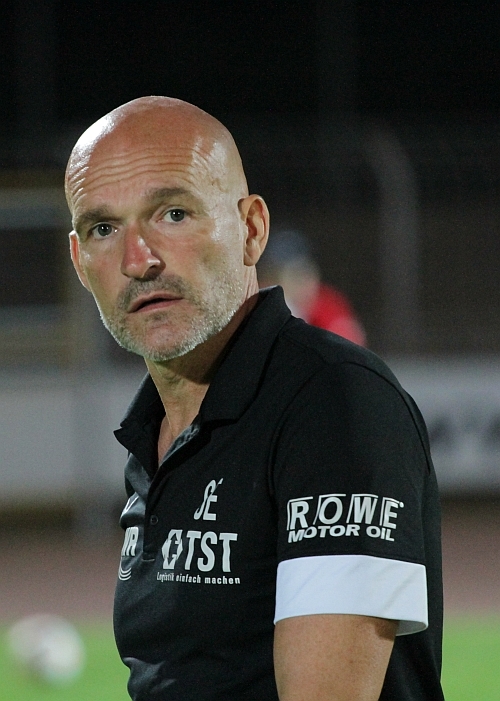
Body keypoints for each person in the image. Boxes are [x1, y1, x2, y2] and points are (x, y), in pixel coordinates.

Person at [65, 96, 444, 701]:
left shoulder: (332, 403)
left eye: (173, 214)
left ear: (251, 230)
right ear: (81, 263)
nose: (138, 260)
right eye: (104, 229)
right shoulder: (156, 432)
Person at [258, 229, 366, 345]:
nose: (301, 285)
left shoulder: (328, 308)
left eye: (302, 274)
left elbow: (349, 348)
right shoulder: (260, 303)